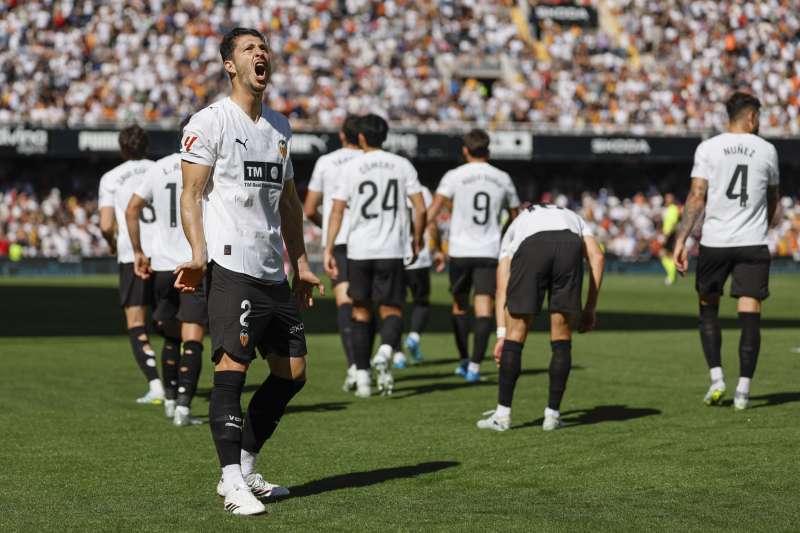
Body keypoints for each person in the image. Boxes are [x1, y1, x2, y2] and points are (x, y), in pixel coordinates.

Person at [175, 27, 324, 516]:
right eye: (248, 49)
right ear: (229, 65)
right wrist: (198, 254)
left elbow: (288, 202)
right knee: (231, 371)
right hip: (229, 265)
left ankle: (246, 463)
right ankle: (230, 481)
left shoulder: (280, 126)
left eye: (263, 48)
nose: (260, 53)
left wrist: (300, 263)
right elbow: (192, 195)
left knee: (293, 373)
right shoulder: (210, 121)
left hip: (272, 271)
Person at [674, 91, 780, 411]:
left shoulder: (708, 148)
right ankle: (744, 391)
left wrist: (681, 239)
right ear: (751, 117)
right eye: (758, 117)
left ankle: (717, 378)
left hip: (715, 243)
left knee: (708, 310)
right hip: (752, 242)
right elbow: (773, 199)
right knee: (750, 317)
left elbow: (696, 197)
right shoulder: (768, 150)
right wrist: (765, 222)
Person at [477, 203, 605, 432]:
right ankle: (552, 416)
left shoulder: (517, 223)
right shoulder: (571, 216)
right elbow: (597, 257)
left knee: (516, 336)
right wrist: (590, 308)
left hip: (532, 245)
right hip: (569, 244)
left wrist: (501, 335)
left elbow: (502, 286)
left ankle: (502, 416)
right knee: (561, 337)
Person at [324, 113, 426, 398]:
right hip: (392, 249)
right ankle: (384, 351)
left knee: (360, 311)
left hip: (359, 249)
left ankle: (364, 376)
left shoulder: (351, 166)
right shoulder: (402, 165)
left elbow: (336, 210)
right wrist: (416, 239)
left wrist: (329, 247)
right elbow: (420, 207)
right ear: (386, 136)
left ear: (360, 137)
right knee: (392, 309)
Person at [125, 123, 207, 427]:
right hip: (192, 264)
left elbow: (132, 209)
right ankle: (184, 407)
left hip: (161, 265)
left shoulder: (158, 168)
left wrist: (137, 250)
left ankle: (171, 400)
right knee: (193, 337)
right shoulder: (206, 165)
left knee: (170, 336)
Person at [427, 129, 520, 383]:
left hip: (459, 251)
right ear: (488, 151)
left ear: (465, 151)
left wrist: (419, 236)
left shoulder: (455, 176)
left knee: (459, 305)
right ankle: (476, 366)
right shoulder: (503, 178)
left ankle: (464, 359)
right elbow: (516, 218)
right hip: (490, 251)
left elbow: (433, 210)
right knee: (484, 308)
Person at [97, 125, 163, 404]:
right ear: (146, 146)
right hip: (166, 254)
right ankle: (180, 385)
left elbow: (106, 224)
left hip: (131, 256)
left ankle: (156, 384)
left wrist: (112, 243)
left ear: (122, 148)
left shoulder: (111, 178)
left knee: (137, 323)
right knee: (173, 320)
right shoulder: (163, 168)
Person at [303, 115, 362, 390]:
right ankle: (380, 355)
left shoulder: (326, 162)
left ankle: (355, 367)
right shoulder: (372, 161)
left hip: (340, 241)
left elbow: (310, 208)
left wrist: (327, 227)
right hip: (370, 241)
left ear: (341, 135)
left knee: (344, 302)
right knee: (370, 304)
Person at [393, 184, 444, 368]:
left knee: (393, 306)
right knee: (421, 302)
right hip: (418, 256)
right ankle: (414, 336)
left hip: (393, 254)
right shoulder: (422, 190)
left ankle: (398, 353)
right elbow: (430, 222)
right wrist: (437, 250)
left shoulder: (389, 184)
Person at [659, 193, 681, 286]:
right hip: (667, 234)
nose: (668, 199)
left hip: (670, 234)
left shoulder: (673, 209)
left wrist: (667, 235)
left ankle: (671, 276)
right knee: (666, 255)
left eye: (670, 198)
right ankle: (671, 274)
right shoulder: (667, 209)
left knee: (663, 254)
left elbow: (673, 223)